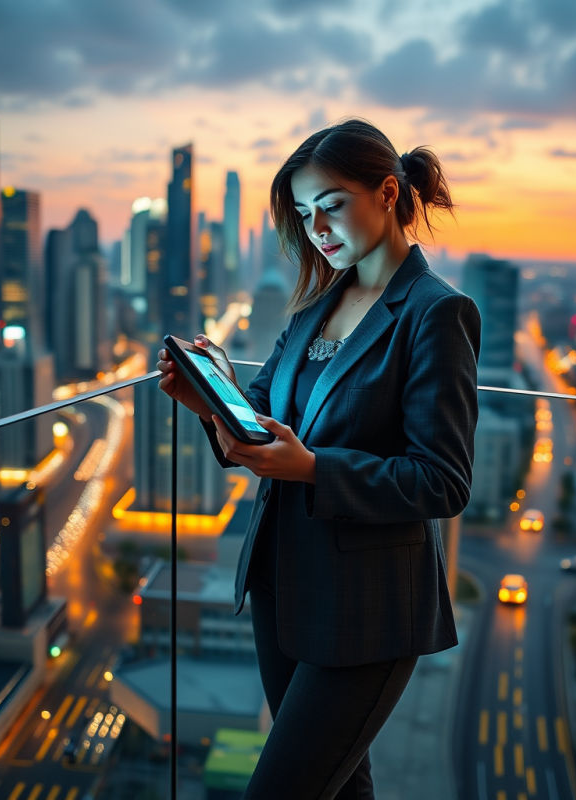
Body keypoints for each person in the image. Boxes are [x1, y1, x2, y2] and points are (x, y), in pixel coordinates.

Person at [157, 118, 481, 800]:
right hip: (282, 581)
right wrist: (206, 400)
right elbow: (259, 410)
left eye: (331, 205)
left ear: (388, 193)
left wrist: (312, 469)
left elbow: (443, 480)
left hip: (367, 609)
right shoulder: (316, 303)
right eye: (305, 215)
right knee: (338, 788)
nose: (318, 229)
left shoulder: (436, 313)